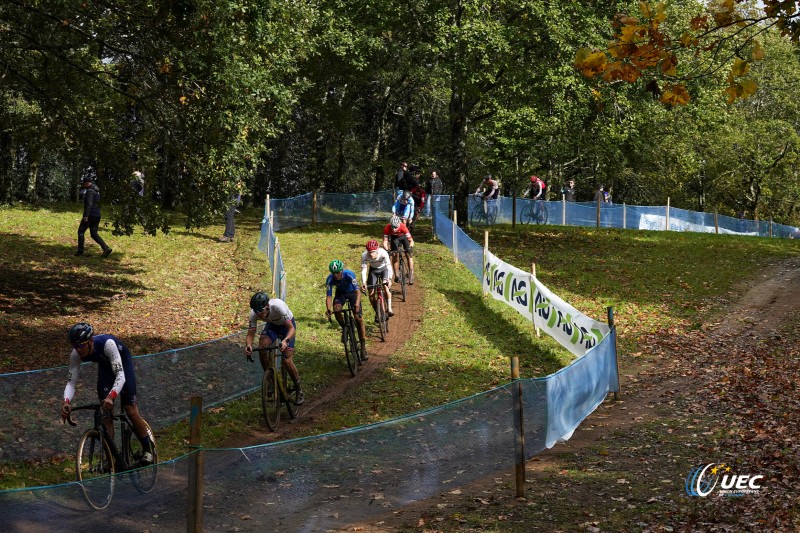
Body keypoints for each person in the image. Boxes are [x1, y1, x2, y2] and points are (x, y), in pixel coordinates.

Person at [61, 323, 154, 465]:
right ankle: (111, 457)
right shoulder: (75, 354)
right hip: (106, 368)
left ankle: (148, 449)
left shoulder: (108, 344)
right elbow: (71, 382)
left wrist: (111, 396)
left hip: (121, 366)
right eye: (75, 346)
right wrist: (66, 402)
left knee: (130, 410)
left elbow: (120, 376)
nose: (78, 350)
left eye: (81, 346)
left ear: (90, 341)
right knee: (106, 414)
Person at [245, 291, 304, 405]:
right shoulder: (254, 313)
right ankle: (271, 380)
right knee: (262, 347)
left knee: (286, 361)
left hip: (287, 327)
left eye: (261, 311)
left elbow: (291, 329)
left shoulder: (278, 307)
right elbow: (250, 333)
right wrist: (248, 345)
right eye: (257, 312)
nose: (260, 315)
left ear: (267, 306)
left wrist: (285, 340)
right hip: (272, 326)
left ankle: (299, 388)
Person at [325, 259, 368, 360]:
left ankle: (363, 347)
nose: (336, 275)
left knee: (358, 318)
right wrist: (328, 309)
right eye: (333, 273)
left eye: (338, 273)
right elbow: (329, 296)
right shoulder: (330, 279)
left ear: (342, 270)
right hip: (341, 294)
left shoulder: (349, 275)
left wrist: (357, 304)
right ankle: (345, 328)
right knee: (336, 309)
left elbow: (358, 292)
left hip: (353, 293)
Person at [76, 177, 112, 257]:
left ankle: (80, 251)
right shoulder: (97, 191)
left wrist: (86, 216)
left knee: (81, 232)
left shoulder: (90, 191)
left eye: (84, 183)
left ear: (87, 183)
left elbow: (89, 204)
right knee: (94, 234)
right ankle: (106, 248)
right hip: (97, 215)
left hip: (90, 215)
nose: (83, 185)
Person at [361, 239, 394, 320]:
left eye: (373, 252)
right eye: (369, 252)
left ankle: (389, 308)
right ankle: (378, 312)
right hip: (373, 271)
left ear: (377, 250)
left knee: (386, 287)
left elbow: (389, 267)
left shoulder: (383, 253)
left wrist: (389, 279)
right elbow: (364, 270)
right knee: (371, 294)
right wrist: (364, 282)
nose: (371, 254)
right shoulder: (364, 255)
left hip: (384, 269)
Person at [383, 215, 416, 285]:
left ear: (399, 225)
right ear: (390, 225)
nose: (394, 229)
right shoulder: (387, 228)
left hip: (404, 237)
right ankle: (396, 275)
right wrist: (387, 249)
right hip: (394, 238)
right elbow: (385, 242)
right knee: (395, 255)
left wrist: (410, 247)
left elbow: (411, 241)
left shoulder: (403, 227)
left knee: (408, 255)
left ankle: (411, 274)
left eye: (396, 227)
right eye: (392, 227)